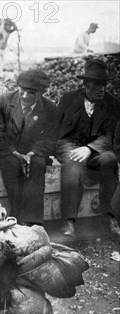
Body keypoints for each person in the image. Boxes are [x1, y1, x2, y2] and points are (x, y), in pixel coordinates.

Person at [0, 69, 58, 225]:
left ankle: (33, 221)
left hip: (32, 153)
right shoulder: (3, 102)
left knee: (38, 163)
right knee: (12, 163)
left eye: (32, 93)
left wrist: (33, 152)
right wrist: (14, 152)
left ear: (42, 92)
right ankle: (16, 215)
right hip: (3, 150)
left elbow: (52, 139)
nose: (25, 96)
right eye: (22, 90)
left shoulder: (49, 108)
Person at [56, 59, 120, 237]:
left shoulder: (112, 103)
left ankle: (109, 217)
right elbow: (60, 133)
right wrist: (74, 149)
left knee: (110, 159)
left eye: (105, 84)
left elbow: (110, 135)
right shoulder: (69, 99)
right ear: (86, 84)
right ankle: (69, 220)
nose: (102, 89)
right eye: (98, 84)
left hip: (94, 151)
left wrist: (90, 148)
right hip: (70, 146)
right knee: (72, 162)